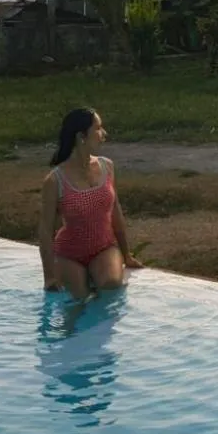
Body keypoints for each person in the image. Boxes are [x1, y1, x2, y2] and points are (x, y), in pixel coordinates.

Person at [39, 106, 143, 300]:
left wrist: (126, 254)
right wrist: (49, 277)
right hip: (68, 253)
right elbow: (46, 231)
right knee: (78, 301)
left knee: (111, 286)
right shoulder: (55, 180)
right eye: (98, 128)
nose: (104, 134)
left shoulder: (107, 166)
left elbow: (115, 212)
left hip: (103, 247)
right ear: (81, 136)